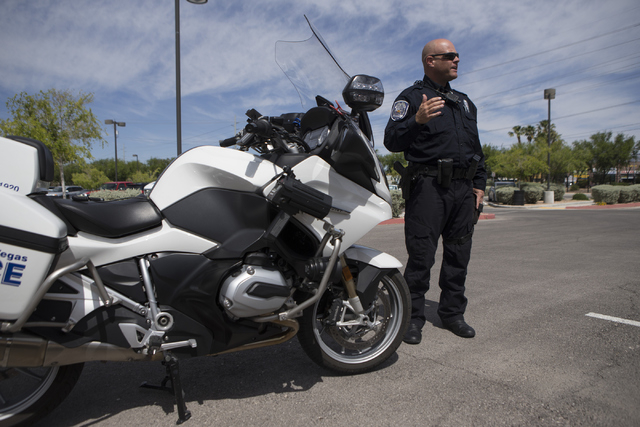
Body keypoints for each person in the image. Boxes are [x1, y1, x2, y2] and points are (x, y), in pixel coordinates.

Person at [384, 39, 486, 344]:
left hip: (462, 190)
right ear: (430, 61)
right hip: (428, 189)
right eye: (450, 56)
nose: (457, 60)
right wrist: (417, 120)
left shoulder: (465, 103)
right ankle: (411, 317)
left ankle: (452, 313)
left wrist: (479, 185)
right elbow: (392, 141)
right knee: (421, 257)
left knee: (458, 256)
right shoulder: (412, 98)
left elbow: (476, 150)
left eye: (457, 56)